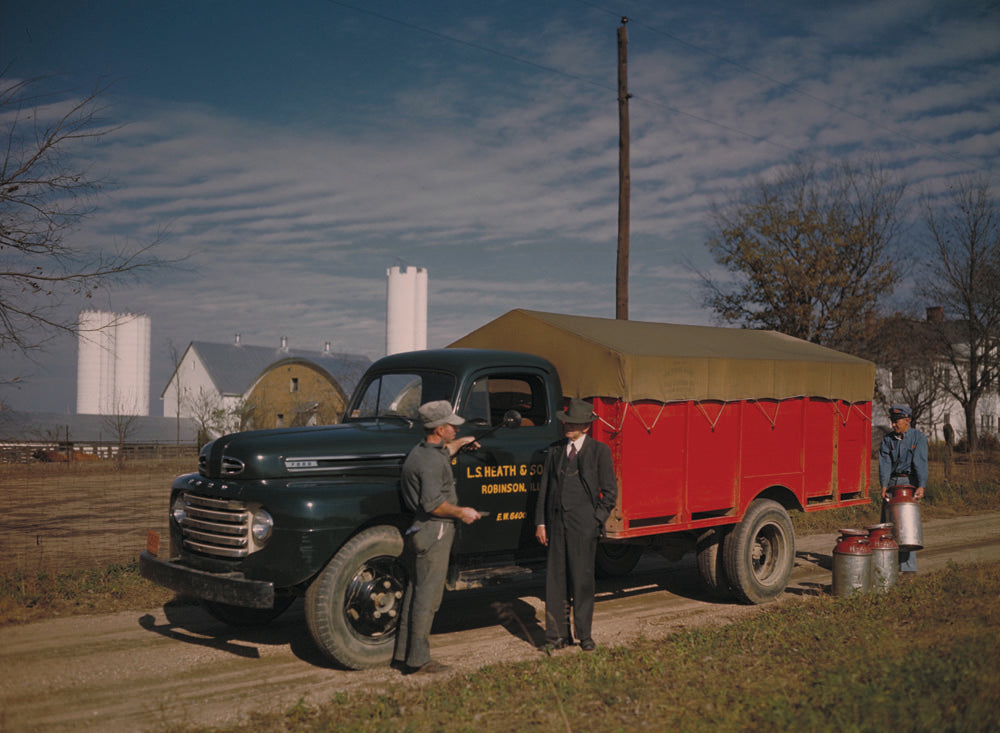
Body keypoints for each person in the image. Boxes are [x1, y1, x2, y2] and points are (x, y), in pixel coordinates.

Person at [392, 400, 481, 674]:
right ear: (440, 429)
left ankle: (402, 654)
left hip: (421, 530)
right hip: (436, 530)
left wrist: (461, 442)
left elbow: (443, 453)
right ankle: (418, 661)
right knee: (427, 599)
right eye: (452, 427)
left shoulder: (422, 451)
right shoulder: (430, 463)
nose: (455, 429)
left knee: (414, 593)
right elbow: (434, 505)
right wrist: (462, 512)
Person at [534, 398, 618, 652]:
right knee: (555, 581)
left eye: (573, 424)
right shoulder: (556, 450)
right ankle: (557, 636)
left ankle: (585, 636)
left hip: (584, 525)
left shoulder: (599, 451)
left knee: (582, 581)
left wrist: (596, 519)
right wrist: (541, 523)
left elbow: (610, 491)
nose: (567, 427)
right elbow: (545, 491)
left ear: (586, 427)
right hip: (556, 523)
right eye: (566, 422)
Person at [878, 404, 928, 574]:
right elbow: (884, 464)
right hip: (892, 484)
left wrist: (921, 485)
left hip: (909, 485)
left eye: (896, 421)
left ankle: (908, 570)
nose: (893, 425)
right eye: (892, 421)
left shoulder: (918, 438)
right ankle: (887, 569)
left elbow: (920, 463)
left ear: (907, 420)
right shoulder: (887, 440)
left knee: (907, 527)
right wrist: (884, 485)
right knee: (887, 526)